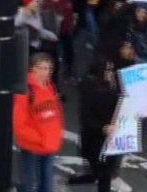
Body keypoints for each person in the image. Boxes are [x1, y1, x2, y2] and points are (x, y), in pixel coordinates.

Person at [68, 57, 123, 192]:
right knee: (104, 171)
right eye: (108, 70)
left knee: (102, 168)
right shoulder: (98, 90)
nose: (111, 73)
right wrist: (103, 127)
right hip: (99, 136)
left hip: (95, 135)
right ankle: (94, 178)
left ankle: (92, 176)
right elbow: (89, 116)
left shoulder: (96, 86)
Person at [14, 53, 64, 192]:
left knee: (46, 184)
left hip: (48, 144)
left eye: (48, 68)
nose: (45, 72)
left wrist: (54, 137)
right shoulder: (26, 90)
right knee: (29, 185)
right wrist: (39, 139)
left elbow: (56, 114)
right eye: (41, 68)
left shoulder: (50, 86)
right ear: (32, 69)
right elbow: (20, 123)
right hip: (33, 146)